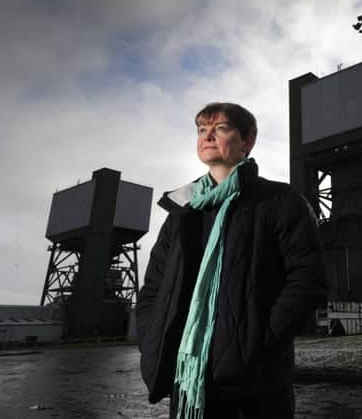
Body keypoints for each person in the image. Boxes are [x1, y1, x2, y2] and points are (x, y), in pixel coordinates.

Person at [136, 102, 326, 419]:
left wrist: (258, 344)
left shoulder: (280, 202)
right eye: (201, 130)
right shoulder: (182, 213)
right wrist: (151, 340)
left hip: (256, 386)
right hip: (187, 380)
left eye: (221, 129)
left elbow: (307, 283)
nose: (207, 136)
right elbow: (153, 290)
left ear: (247, 140)